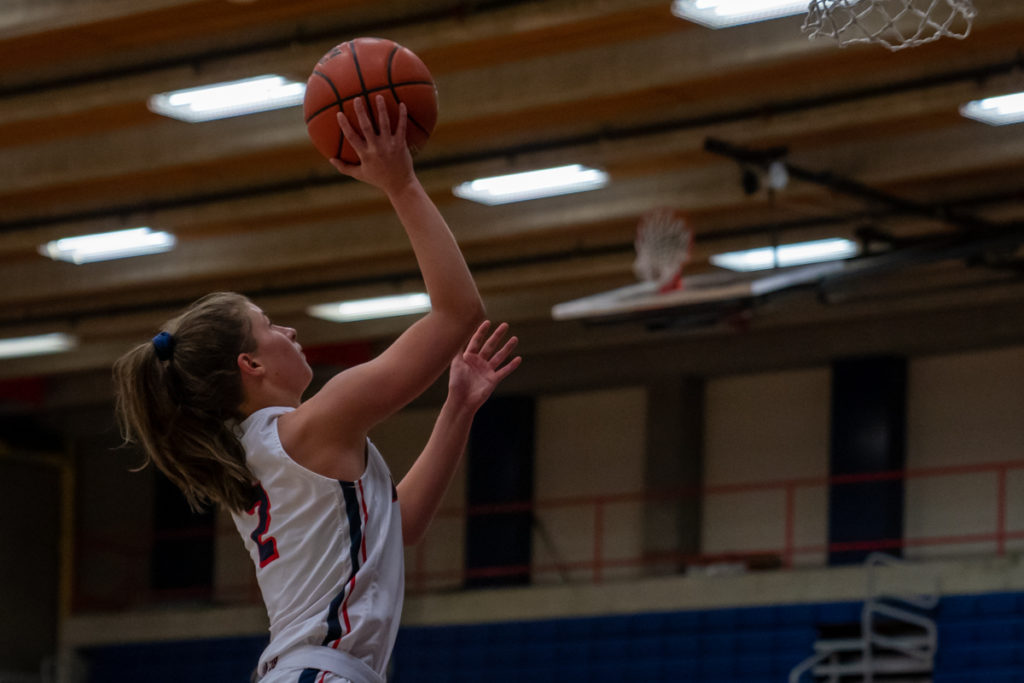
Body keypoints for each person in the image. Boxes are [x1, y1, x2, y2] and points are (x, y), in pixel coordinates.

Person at [112, 95, 521, 683]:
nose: (289, 329)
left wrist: (456, 408)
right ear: (250, 363)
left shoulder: (262, 452)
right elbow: (458, 313)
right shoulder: (309, 427)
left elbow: (394, 530)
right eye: (269, 324)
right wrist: (400, 183)